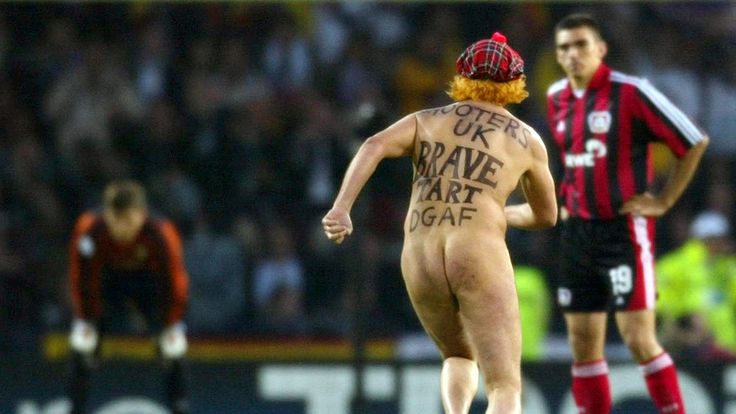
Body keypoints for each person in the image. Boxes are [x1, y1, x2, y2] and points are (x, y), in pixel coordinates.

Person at [323, 32, 558, 414]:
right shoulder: (527, 139)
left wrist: (341, 208)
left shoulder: (427, 120)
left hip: (419, 251)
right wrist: (502, 214)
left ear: (462, 76)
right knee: (504, 383)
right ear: (515, 82)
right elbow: (547, 215)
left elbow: (373, 145)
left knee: (457, 354)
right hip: (477, 250)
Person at [546, 13, 709, 414]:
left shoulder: (631, 92)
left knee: (638, 339)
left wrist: (664, 200)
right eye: (564, 47)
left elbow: (692, 141)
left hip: (623, 229)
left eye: (581, 44)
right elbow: (571, 160)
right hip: (577, 232)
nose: (572, 54)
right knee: (583, 345)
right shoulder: (555, 97)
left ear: (601, 49)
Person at [66, 180, 190, 414]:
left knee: (173, 347)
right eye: (116, 221)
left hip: (148, 284)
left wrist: (170, 322)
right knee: (83, 343)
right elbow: (82, 277)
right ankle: (74, 408)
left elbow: (174, 282)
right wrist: (87, 319)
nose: (122, 230)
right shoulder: (90, 230)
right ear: (106, 215)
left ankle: (180, 406)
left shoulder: (161, 233)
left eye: (129, 221)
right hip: (106, 283)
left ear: (142, 215)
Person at [657, 211, 736, 360]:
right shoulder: (674, 266)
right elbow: (664, 307)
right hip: (693, 349)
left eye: (721, 239)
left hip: (728, 348)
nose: (718, 244)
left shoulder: (727, 267)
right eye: (712, 239)